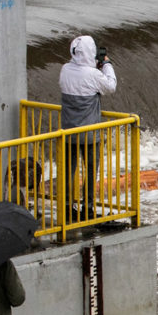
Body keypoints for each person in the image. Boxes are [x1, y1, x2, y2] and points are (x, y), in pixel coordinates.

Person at [59, 35, 117, 221]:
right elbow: (111, 87)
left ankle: (67, 206)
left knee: (69, 170)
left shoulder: (65, 70)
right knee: (91, 171)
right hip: (90, 134)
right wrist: (106, 65)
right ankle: (88, 206)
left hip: (68, 132)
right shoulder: (93, 75)